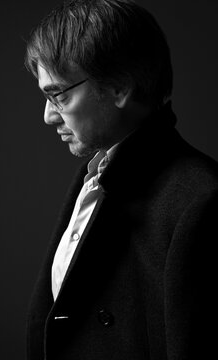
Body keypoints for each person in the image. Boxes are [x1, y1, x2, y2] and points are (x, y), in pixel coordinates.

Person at [24, 1, 218, 359]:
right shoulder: (97, 176)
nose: (49, 116)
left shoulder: (202, 201)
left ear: (119, 88)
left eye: (59, 95)